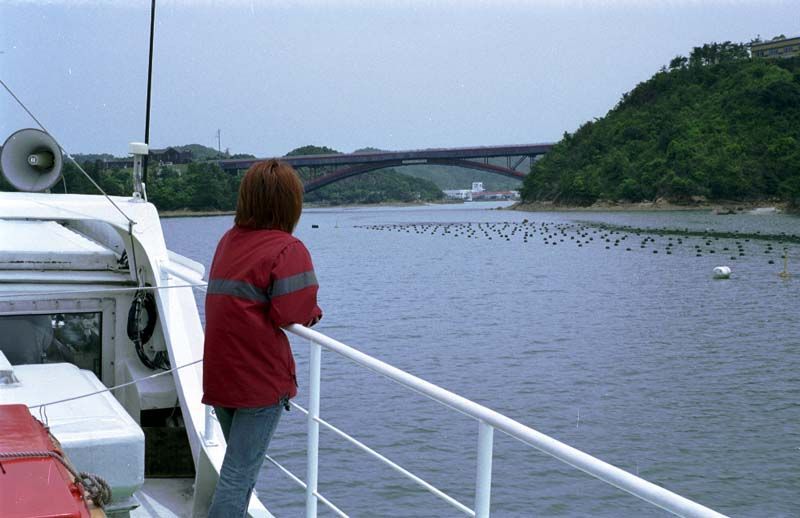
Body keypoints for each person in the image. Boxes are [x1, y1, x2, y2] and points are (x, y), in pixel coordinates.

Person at [203, 159, 322, 518]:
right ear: (290, 203)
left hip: (222, 376)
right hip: (258, 382)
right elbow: (295, 313)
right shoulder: (288, 248)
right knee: (239, 474)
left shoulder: (229, 240)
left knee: (238, 469)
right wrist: (314, 313)